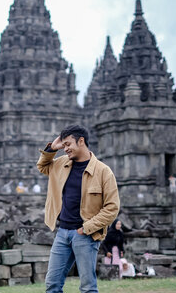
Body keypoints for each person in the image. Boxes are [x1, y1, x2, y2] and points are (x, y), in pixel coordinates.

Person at [37, 125, 120, 293]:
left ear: (81, 141)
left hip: (86, 235)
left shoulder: (104, 172)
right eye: (64, 145)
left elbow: (112, 208)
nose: (65, 148)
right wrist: (52, 148)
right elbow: (43, 166)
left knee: (88, 287)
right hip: (62, 233)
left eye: (68, 144)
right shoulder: (61, 165)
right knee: (52, 284)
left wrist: (86, 229)